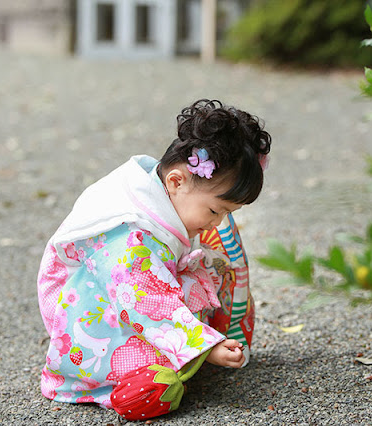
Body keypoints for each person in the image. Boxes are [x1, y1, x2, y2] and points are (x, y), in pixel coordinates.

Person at [36, 99, 271, 420]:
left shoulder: (153, 189)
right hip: (90, 310)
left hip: (123, 294)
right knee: (153, 377)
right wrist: (205, 347)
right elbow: (147, 300)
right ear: (176, 181)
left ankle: (185, 350)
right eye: (215, 211)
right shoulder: (130, 233)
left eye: (227, 213)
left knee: (211, 268)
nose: (218, 222)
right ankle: (103, 379)